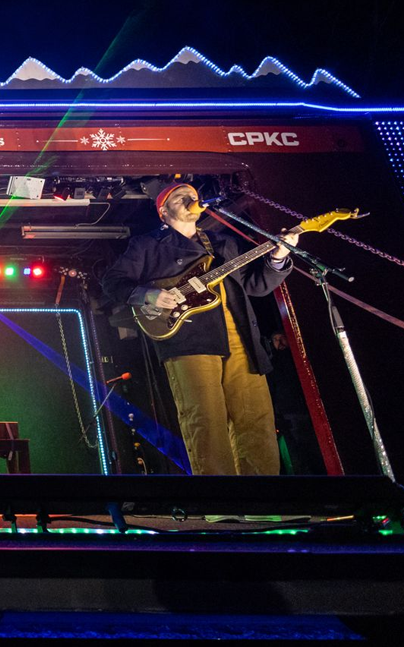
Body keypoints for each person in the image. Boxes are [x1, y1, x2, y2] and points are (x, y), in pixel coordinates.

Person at [101, 183, 298, 476]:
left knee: (254, 416)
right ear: (164, 212)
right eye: (180, 198)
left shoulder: (222, 244)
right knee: (205, 418)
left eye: (193, 196)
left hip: (240, 335)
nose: (191, 200)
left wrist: (278, 257)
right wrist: (148, 295)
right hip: (188, 339)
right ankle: (218, 499)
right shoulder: (147, 245)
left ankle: (261, 498)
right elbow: (112, 281)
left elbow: (255, 285)